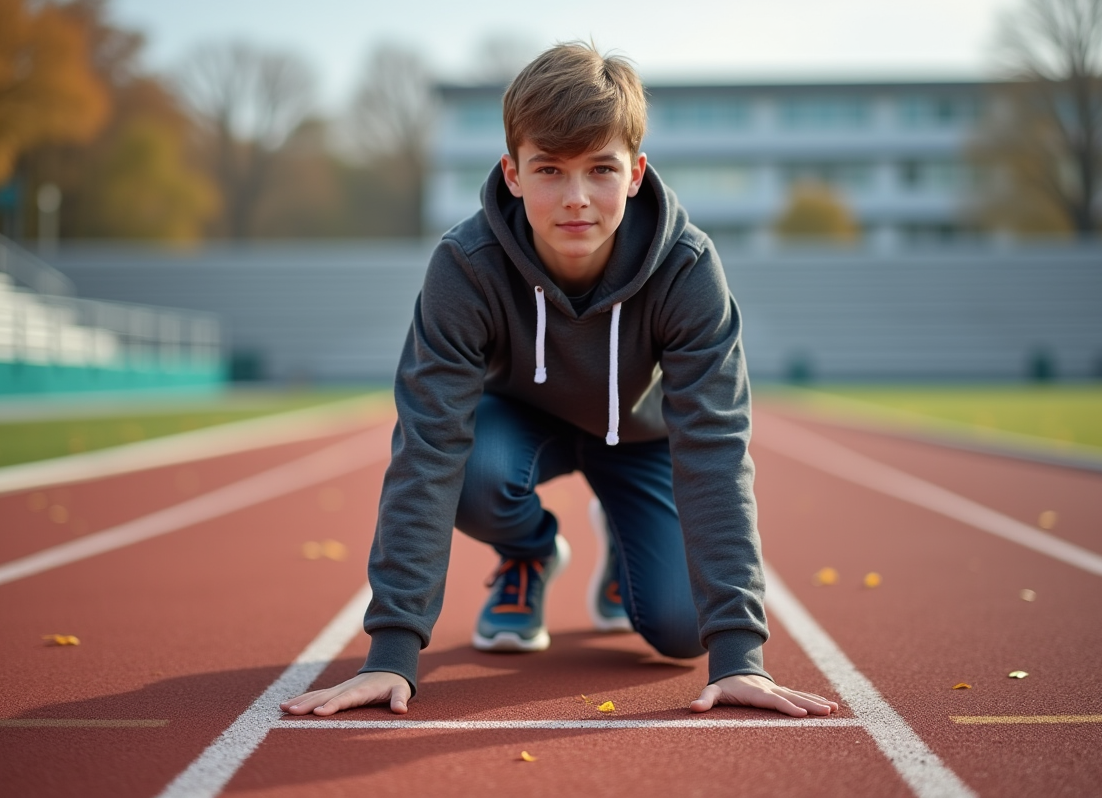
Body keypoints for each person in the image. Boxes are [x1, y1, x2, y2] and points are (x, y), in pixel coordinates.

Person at [283, 42, 838, 719]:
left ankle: (623, 543)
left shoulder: (687, 270)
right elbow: (428, 447)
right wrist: (393, 652)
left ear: (635, 173)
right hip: (517, 428)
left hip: (638, 437)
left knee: (682, 630)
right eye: (549, 169)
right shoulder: (466, 267)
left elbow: (715, 449)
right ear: (512, 174)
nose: (576, 199)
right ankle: (530, 552)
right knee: (471, 472)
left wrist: (739, 654)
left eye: (600, 169)